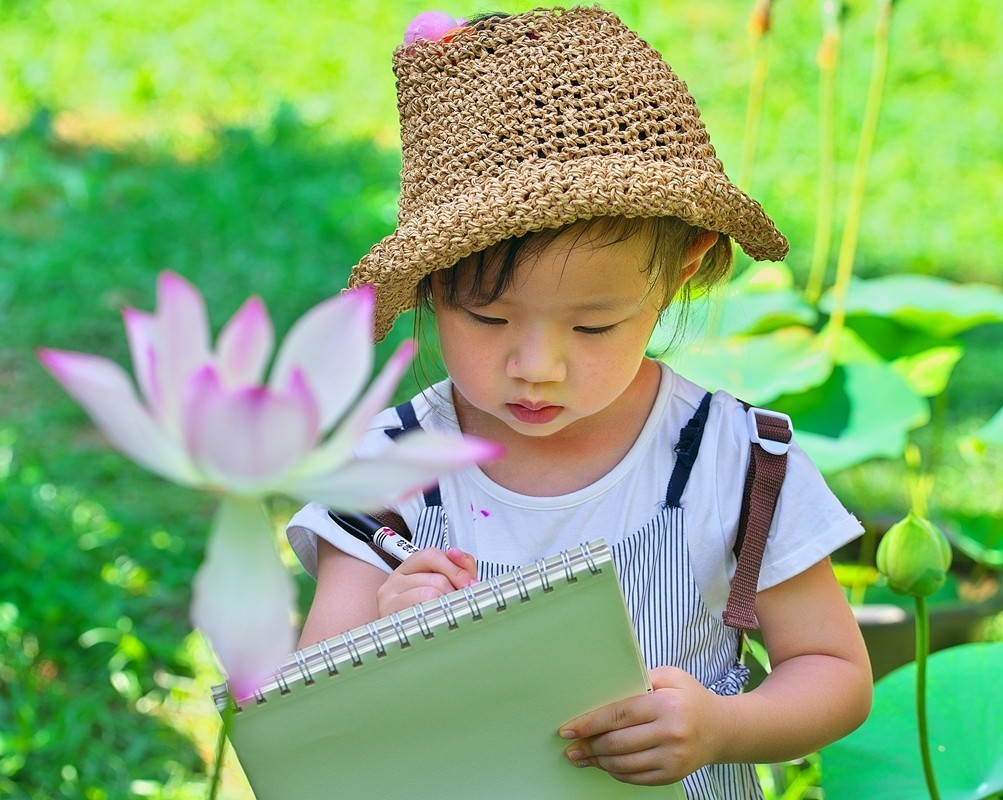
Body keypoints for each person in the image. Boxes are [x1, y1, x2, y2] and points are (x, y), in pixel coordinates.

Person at [287, 6, 872, 797]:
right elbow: (310, 715)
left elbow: (833, 671)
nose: (536, 368)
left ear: (683, 269)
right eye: (488, 319)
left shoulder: (733, 461)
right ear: (429, 284)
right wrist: (386, 638)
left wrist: (722, 728)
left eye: (593, 325)